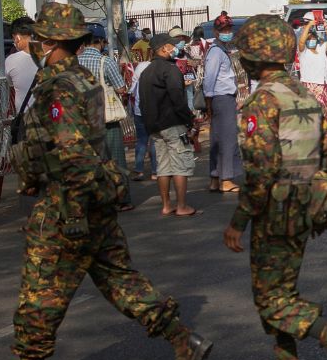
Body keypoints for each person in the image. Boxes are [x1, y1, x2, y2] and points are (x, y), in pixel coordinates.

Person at [0, 3, 211, 360]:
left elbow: (71, 153)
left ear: (52, 42)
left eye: (39, 39)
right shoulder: (80, 78)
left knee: (39, 291)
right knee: (120, 280)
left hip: (67, 204)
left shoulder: (59, 86)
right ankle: (182, 340)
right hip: (91, 200)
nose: (35, 44)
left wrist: (68, 210)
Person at [223, 15, 327, 360]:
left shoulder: (263, 101)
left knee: (271, 299)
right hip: (305, 205)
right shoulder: (305, 97)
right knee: (280, 289)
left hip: (275, 211)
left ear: (254, 57)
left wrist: (238, 220)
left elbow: (260, 171)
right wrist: (323, 205)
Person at [141, 35, 200, 217]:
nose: (175, 48)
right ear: (164, 48)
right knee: (180, 164)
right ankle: (182, 205)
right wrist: (189, 120)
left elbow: (143, 102)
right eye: (172, 45)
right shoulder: (170, 70)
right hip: (173, 124)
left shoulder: (146, 72)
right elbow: (178, 99)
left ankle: (167, 205)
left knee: (163, 167)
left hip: (155, 127)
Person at [78, 24, 133, 210]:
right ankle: (121, 200)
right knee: (115, 159)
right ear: (101, 42)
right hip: (107, 119)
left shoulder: (74, 62)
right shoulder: (106, 62)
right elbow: (120, 89)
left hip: (83, 119)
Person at [204, 18, 243, 192]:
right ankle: (226, 179)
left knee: (218, 140)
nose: (227, 33)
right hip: (221, 99)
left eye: (229, 30)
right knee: (227, 140)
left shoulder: (223, 50)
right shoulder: (216, 52)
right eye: (224, 30)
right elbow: (209, 80)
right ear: (215, 32)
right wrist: (209, 104)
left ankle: (215, 178)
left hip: (222, 99)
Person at [297, 13, 327, 127]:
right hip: (311, 83)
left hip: (324, 82)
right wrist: (308, 26)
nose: (311, 40)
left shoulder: (320, 48)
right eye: (309, 39)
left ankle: (324, 130)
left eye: (313, 38)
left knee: (324, 108)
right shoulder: (303, 51)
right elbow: (301, 42)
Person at [7, 17, 39, 114]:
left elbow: (9, 83)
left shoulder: (11, 61)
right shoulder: (50, 55)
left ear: (17, 38)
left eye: (13, 39)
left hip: (26, 118)